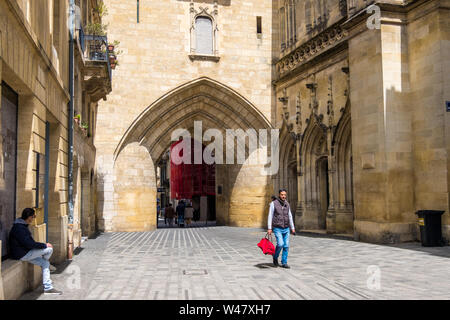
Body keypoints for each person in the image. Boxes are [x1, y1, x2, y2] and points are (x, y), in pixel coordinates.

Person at [9, 208, 62, 295]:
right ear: (29, 217)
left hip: (25, 252)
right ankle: (47, 261)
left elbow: (29, 244)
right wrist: (44, 245)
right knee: (49, 249)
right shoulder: (19, 228)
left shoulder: (21, 225)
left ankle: (48, 288)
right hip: (22, 254)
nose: (33, 219)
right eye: (33, 216)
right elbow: (29, 244)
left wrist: (42, 246)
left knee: (45, 263)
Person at [267, 189, 296, 269]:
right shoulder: (274, 204)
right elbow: (270, 215)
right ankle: (275, 257)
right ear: (279, 195)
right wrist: (269, 228)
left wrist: (292, 228)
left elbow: (290, 216)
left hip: (286, 228)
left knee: (286, 246)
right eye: (282, 194)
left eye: (284, 195)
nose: (283, 196)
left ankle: (284, 262)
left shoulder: (287, 204)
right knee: (280, 244)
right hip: (277, 228)